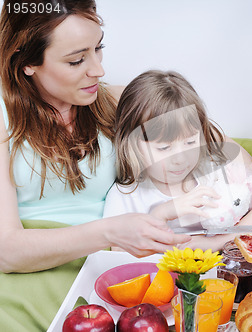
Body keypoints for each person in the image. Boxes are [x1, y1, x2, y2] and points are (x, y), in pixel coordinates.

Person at [0, 0, 192, 274]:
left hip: (113, 269)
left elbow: (217, 147)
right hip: (31, 276)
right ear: (26, 61)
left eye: (98, 48)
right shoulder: (4, 119)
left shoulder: (115, 101)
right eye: (76, 60)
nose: (98, 70)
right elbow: (6, 252)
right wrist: (108, 233)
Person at [103, 69, 252, 251]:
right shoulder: (126, 196)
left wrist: (218, 243)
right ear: (131, 144)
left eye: (190, 142)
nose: (180, 159)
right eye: (164, 148)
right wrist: (160, 215)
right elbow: (119, 256)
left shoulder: (215, 171)